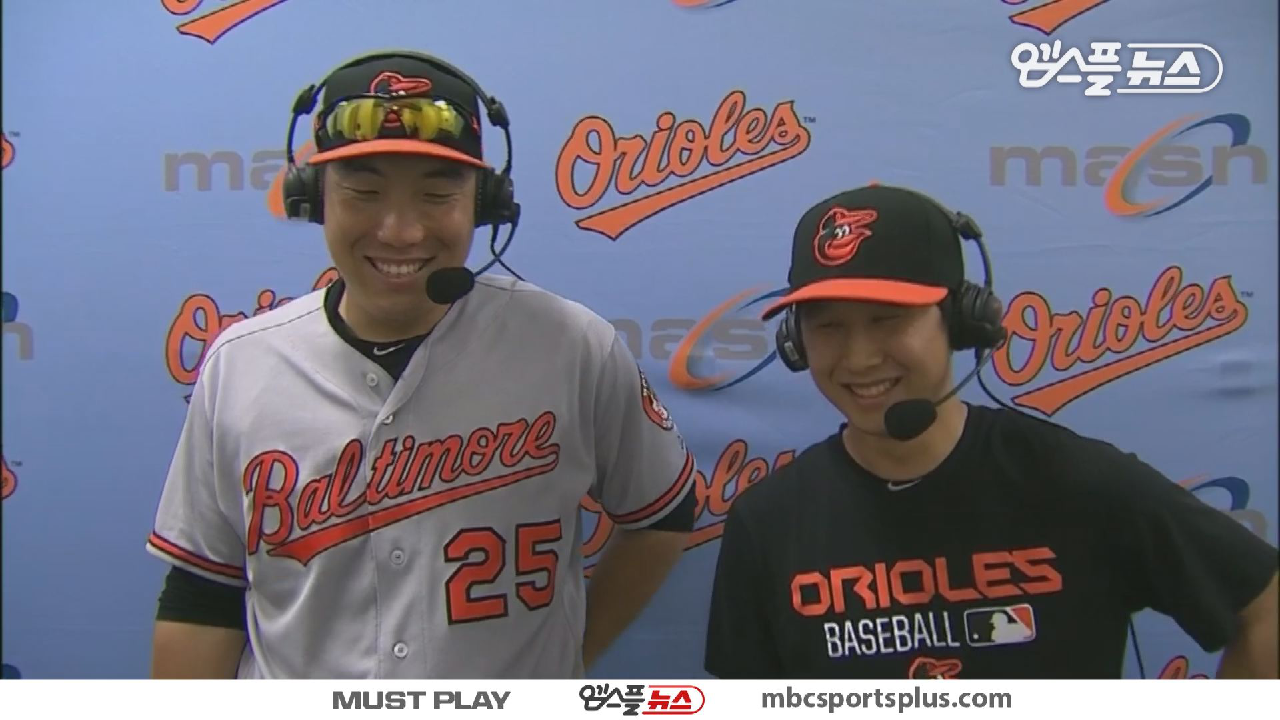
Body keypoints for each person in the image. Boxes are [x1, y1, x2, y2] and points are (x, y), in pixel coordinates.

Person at [145, 49, 697, 679]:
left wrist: (568, 661)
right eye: (364, 192)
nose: (400, 231)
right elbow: (205, 590)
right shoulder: (241, 364)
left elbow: (664, 514)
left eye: (437, 195)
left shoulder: (572, 347)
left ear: (485, 203)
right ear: (314, 198)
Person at [702, 184, 1279, 679]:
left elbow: (1265, 604)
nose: (858, 358)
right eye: (829, 328)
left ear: (961, 322)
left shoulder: (1075, 481)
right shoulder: (769, 520)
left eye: (888, 321)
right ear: (796, 343)